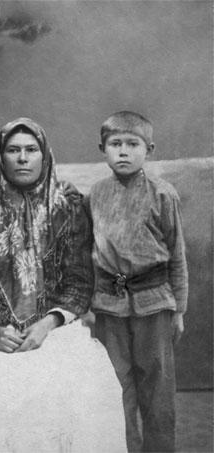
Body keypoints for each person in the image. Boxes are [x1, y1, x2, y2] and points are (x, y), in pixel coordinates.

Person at [0, 118, 126, 452]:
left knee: (88, 386)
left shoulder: (68, 207)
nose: (22, 158)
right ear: (0, 157)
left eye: (31, 150)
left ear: (44, 156)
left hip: (54, 326)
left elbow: (79, 281)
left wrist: (47, 325)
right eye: (13, 150)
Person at [89, 111, 187, 452]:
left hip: (155, 303)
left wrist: (179, 309)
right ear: (102, 149)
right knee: (116, 386)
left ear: (149, 149)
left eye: (133, 144)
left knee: (157, 388)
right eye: (115, 144)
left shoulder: (163, 194)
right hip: (108, 306)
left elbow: (177, 255)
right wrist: (89, 305)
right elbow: (90, 252)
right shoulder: (95, 194)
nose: (123, 151)